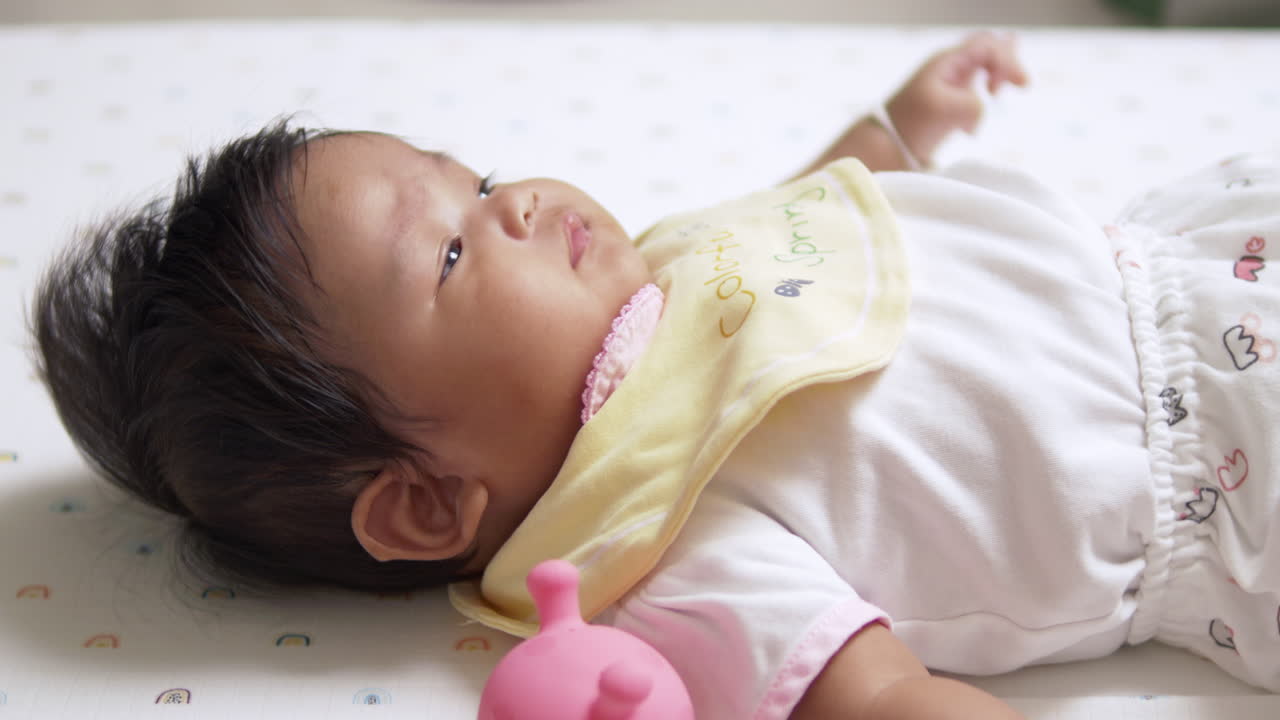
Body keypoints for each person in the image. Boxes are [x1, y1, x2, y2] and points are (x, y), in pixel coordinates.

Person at [30, 29, 1280, 720]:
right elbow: (875, 695)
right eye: (455, 250)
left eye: (470, 174)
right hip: (1227, 471)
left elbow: (802, 228)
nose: (511, 198)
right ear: (422, 502)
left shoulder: (654, 280)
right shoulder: (655, 547)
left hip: (1202, 256)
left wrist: (901, 127)